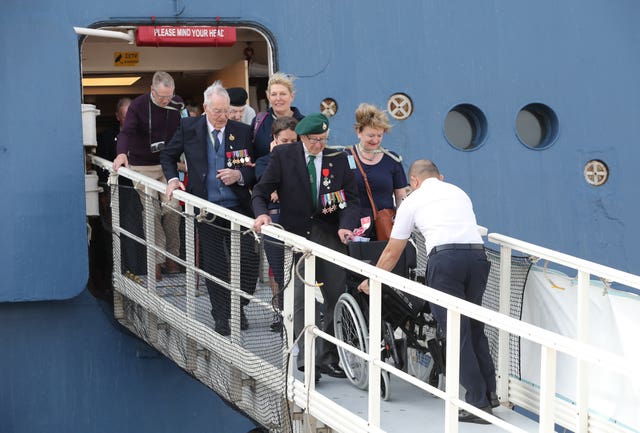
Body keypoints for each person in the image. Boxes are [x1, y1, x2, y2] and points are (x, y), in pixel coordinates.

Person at [357, 159, 498, 424]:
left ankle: (478, 403)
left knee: (456, 331)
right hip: (478, 259)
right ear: (439, 177)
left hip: (446, 262)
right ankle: (490, 394)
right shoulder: (459, 192)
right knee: (474, 326)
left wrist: (372, 278)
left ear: (414, 181)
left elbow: (392, 250)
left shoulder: (412, 200)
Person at [252, 113, 359, 381]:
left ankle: (328, 357)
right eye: (314, 140)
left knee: (336, 295)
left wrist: (346, 225)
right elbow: (260, 191)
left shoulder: (339, 158)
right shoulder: (284, 156)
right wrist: (262, 214)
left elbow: (353, 200)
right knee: (299, 298)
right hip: (298, 235)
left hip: (330, 235)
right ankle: (308, 359)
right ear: (302, 137)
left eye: (323, 139)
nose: (320, 145)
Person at [160, 81, 258, 337]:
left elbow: (260, 164)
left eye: (226, 111)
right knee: (215, 265)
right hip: (206, 209)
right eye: (217, 111)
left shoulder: (243, 131)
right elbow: (167, 156)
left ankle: (239, 304)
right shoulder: (188, 127)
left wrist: (239, 174)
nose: (223, 117)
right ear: (205, 108)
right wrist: (173, 180)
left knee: (248, 261)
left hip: (238, 208)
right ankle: (222, 315)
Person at [112, 71, 186, 280]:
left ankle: (173, 257)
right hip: (142, 166)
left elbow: (187, 129)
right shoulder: (138, 105)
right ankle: (156, 261)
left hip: (167, 166)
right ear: (152, 91)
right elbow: (126, 132)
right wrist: (120, 153)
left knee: (172, 209)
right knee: (151, 212)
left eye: (169, 96)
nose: (166, 100)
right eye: (162, 97)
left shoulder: (177, 104)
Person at [254, 116, 299, 332]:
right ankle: (282, 315)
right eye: (284, 141)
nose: (289, 146)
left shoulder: (303, 161)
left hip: (298, 222)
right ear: (274, 139)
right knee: (280, 273)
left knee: (300, 272)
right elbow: (264, 187)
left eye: (293, 142)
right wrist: (275, 156)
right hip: (275, 222)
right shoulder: (265, 161)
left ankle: (298, 316)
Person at [348, 103, 407, 240]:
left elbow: (400, 195)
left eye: (379, 135)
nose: (375, 140)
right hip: (355, 229)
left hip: (385, 227)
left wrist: (402, 222)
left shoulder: (392, 159)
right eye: (371, 135)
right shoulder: (345, 157)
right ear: (359, 132)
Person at [250, 72, 304, 163]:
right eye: (274, 94)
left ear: (292, 96)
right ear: (268, 97)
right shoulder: (258, 122)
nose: (278, 98)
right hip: (263, 176)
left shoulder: (304, 123)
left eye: (283, 94)